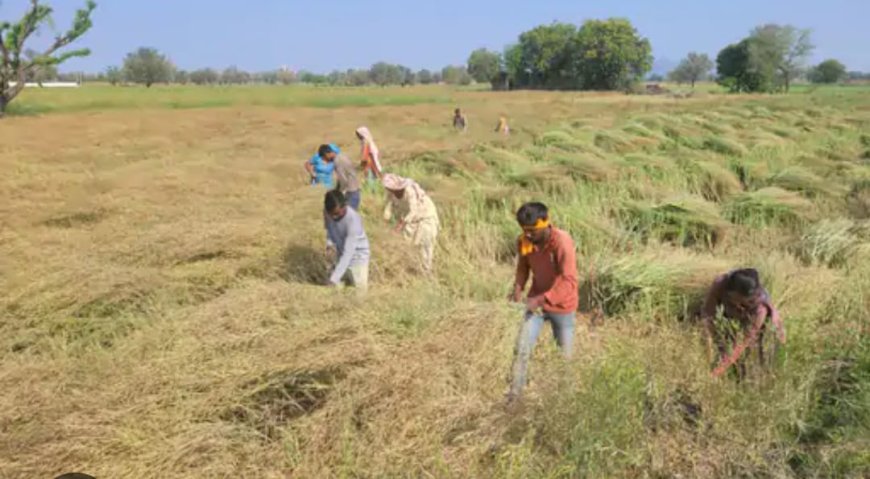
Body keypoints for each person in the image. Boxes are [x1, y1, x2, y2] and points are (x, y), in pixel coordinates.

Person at [507, 202, 579, 402]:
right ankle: (514, 396)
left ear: (546, 224)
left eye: (532, 231)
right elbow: (523, 268)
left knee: (564, 358)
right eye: (524, 230)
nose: (528, 235)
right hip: (536, 303)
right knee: (521, 349)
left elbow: (568, 280)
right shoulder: (525, 242)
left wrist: (540, 299)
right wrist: (518, 290)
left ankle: (566, 399)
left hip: (562, 305)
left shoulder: (562, 242)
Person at [701, 268, 786, 379]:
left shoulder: (760, 309)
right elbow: (708, 314)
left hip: (763, 331)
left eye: (748, 300)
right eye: (734, 298)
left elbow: (740, 345)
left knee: (755, 361)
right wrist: (709, 343)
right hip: (730, 316)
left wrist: (715, 373)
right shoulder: (720, 284)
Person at [381, 173, 440, 273]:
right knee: (406, 242)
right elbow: (388, 207)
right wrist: (385, 220)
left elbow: (414, 210)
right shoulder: (391, 193)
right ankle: (405, 267)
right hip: (410, 220)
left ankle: (426, 272)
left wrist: (401, 224)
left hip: (425, 217)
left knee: (425, 245)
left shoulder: (410, 191)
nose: (391, 191)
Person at [323, 190, 370, 291]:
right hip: (341, 256)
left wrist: (333, 280)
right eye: (333, 214)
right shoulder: (327, 213)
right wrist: (329, 244)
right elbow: (330, 230)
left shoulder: (353, 220)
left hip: (357, 259)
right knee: (338, 293)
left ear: (345, 205)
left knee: (359, 296)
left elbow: (348, 253)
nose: (336, 216)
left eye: (339, 213)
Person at [319, 144, 362, 210]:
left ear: (327, 154)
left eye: (324, 158)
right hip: (355, 190)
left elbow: (343, 181)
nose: (325, 161)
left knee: (348, 217)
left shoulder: (338, 161)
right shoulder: (341, 156)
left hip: (351, 192)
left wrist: (338, 195)